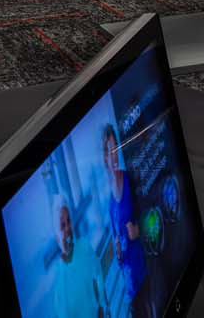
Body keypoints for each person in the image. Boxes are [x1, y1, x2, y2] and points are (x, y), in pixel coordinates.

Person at [101, 125, 148, 312]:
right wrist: (118, 253)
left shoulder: (130, 179)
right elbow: (118, 251)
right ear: (104, 157)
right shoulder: (110, 204)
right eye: (109, 152)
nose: (113, 156)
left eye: (115, 149)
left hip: (145, 271)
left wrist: (139, 230)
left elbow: (151, 209)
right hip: (130, 287)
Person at [47, 199, 105, 318]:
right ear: (57, 237)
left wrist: (101, 305)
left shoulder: (84, 246)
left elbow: (98, 274)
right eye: (62, 225)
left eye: (69, 221)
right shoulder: (58, 277)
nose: (68, 228)